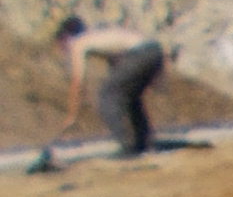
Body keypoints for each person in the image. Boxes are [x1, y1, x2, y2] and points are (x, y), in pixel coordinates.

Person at [53, 17, 167, 158]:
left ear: (66, 37)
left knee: (108, 96)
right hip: (154, 51)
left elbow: (77, 83)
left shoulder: (78, 42)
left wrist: (72, 116)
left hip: (141, 53)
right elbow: (120, 67)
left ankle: (128, 147)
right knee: (129, 97)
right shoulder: (98, 38)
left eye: (61, 44)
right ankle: (144, 144)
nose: (63, 49)